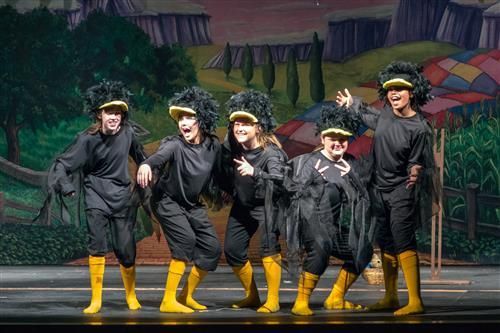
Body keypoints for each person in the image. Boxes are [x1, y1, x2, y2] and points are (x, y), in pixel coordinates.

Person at [336, 61, 438, 316]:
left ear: (411, 93)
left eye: (400, 89)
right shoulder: (384, 116)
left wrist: (415, 173)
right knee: (386, 242)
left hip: (401, 190)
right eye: (390, 89)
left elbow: (419, 161)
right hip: (377, 189)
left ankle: (415, 300)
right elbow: (365, 115)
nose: (394, 93)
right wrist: (352, 104)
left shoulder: (419, 128)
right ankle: (391, 296)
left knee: (403, 241)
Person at [45, 80, 147, 314]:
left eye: (118, 113)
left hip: (121, 197)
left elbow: (143, 157)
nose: (114, 117)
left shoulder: (128, 133)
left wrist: (146, 166)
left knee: (125, 249)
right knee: (97, 245)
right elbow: (62, 164)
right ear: (99, 114)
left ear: (123, 116)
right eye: (109, 112)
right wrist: (66, 186)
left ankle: (131, 296)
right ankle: (96, 300)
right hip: (96, 197)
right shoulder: (87, 139)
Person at [136, 86, 223, 313]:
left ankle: (186, 296)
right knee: (185, 242)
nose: (184, 123)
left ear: (201, 119)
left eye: (190, 117)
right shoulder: (174, 144)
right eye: (181, 118)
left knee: (212, 249)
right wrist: (146, 164)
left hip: (191, 204)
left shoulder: (213, 146)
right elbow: (158, 157)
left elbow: (226, 169)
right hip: (166, 201)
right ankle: (168, 300)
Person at [285, 103, 373, 316]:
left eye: (342, 139)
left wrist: (350, 175)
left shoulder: (350, 163)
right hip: (310, 221)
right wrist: (311, 180)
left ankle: (335, 297)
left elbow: (361, 197)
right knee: (320, 248)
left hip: (331, 225)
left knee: (362, 249)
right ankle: (301, 302)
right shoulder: (309, 161)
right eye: (332, 138)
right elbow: (290, 189)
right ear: (322, 139)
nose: (337, 143)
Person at [222, 90, 288, 313]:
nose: (239, 127)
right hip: (243, 207)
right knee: (232, 250)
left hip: (268, 207)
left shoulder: (271, 154)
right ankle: (252, 296)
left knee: (269, 248)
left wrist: (255, 172)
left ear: (258, 127)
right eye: (236, 123)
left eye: (246, 123)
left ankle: (273, 300)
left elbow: (281, 180)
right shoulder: (236, 147)